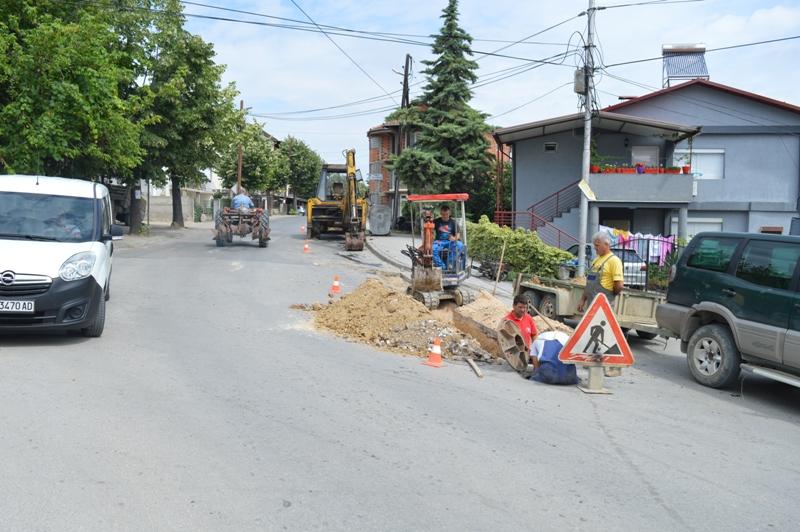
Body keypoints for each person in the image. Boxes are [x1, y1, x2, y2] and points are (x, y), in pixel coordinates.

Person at [577, 231, 624, 313]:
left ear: (606, 244)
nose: (595, 248)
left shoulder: (614, 261)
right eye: (594, 245)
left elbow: (619, 286)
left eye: (597, 245)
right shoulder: (596, 260)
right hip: (591, 306)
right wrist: (582, 300)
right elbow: (589, 284)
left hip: (604, 308)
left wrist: (609, 296)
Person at [432, 204, 465, 270]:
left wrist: (454, 238)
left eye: (446, 214)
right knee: (432, 248)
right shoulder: (436, 221)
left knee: (460, 245)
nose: (445, 216)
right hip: (439, 241)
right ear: (440, 213)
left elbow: (458, 235)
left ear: (449, 213)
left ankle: (449, 263)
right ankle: (442, 266)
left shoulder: (453, 222)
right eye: (443, 214)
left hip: (450, 241)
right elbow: (430, 231)